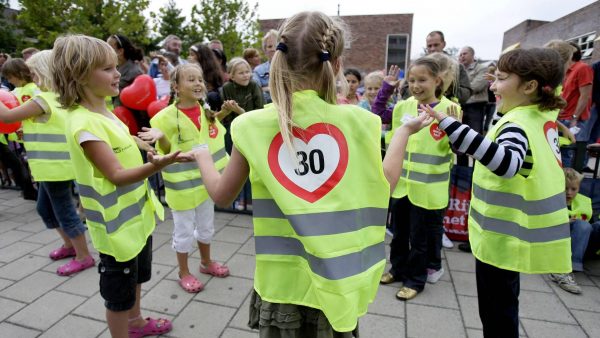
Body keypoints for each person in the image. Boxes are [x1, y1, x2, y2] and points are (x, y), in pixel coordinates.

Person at [182, 11, 432, 337]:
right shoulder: (360, 122)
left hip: (281, 281)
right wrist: (403, 133)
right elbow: (385, 184)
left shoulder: (251, 126)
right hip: (338, 280)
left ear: (278, 62)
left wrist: (202, 155)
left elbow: (222, 194)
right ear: (337, 64)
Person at [424, 48, 571, 338]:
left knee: (496, 316)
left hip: (501, 243)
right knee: (503, 310)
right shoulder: (538, 117)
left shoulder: (516, 125)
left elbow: (507, 164)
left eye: (501, 79)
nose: (492, 85)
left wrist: (452, 126)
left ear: (529, 87)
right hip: (512, 239)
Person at [51, 34, 175, 338]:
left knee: (136, 279)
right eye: (106, 69)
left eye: (114, 66)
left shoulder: (104, 110)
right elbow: (116, 174)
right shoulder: (83, 123)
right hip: (115, 230)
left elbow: (118, 147)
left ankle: (136, 323)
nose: (117, 73)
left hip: (136, 220)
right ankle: (124, 329)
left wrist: (139, 144)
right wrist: (156, 166)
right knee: (118, 295)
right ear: (78, 75)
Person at [0, 50, 95, 276]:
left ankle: (83, 255)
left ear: (44, 72)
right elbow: (47, 125)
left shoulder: (43, 99)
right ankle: (71, 245)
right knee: (45, 209)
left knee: (64, 211)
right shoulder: (55, 98)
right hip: (49, 167)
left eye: (33, 73)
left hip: (55, 168)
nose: (31, 77)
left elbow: (6, 117)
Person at [138, 63, 230, 293]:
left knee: (207, 228)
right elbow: (166, 152)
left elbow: (214, 136)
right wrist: (162, 138)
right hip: (182, 188)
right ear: (176, 87)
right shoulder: (163, 118)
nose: (198, 83)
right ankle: (183, 271)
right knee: (184, 233)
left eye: (200, 79)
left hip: (208, 184)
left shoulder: (205, 110)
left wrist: (225, 113)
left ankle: (206, 263)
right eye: (191, 79)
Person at [378, 55, 461, 301]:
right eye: (412, 80)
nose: (416, 85)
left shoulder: (449, 109)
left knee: (420, 240)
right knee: (399, 234)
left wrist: (456, 129)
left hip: (427, 190)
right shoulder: (404, 106)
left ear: (437, 80)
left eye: (422, 80)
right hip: (401, 186)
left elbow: (458, 150)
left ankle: (416, 280)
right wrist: (386, 88)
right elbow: (379, 115)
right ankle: (397, 269)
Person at [220, 57, 264, 210]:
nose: (246, 75)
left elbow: (259, 112)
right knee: (235, 166)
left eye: (247, 72)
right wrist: (228, 110)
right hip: (234, 130)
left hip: (253, 130)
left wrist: (239, 111)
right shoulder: (227, 88)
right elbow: (227, 115)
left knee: (252, 166)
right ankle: (237, 199)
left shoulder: (254, 86)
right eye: (241, 73)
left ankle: (251, 200)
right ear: (231, 76)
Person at [548, 168, 592, 294]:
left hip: (580, 242)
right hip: (555, 241)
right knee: (582, 226)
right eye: (565, 188)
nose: (569, 193)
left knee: (585, 226)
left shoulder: (584, 201)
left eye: (574, 189)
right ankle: (564, 270)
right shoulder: (550, 200)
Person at [399, 31, 471, 105]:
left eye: (436, 45)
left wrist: (448, 88)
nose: (432, 49)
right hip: (420, 110)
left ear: (443, 44)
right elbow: (404, 92)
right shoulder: (417, 66)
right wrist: (422, 91)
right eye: (429, 46)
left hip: (448, 111)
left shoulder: (456, 66)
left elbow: (466, 94)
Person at [559, 43, 593, 168]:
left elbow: (585, 96)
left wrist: (574, 117)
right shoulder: (566, 70)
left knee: (566, 153)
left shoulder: (582, 68)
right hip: (562, 117)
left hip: (572, 119)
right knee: (560, 152)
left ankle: (567, 185)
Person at [106, 34, 148, 128]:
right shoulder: (116, 68)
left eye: (109, 47)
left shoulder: (135, 72)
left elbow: (142, 106)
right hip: (118, 121)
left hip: (134, 125)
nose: (105, 50)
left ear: (120, 51)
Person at [459, 46, 489, 134]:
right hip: (461, 106)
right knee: (460, 133)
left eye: (464, 54)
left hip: (475, 106)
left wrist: (459, 91)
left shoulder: (482, 68)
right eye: (460, 54)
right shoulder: (459, 69)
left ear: (472, 55)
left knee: (474, 133)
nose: (462, 56)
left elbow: (476, 86)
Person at [188, 43, 224, 112]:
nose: (189, 57)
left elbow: (206, 90)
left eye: (192, 55)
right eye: (189, 54)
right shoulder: (189, 70)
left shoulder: (211, 71)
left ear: (201, 57)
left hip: (208, 101)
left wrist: (196, 66)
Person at [252, 29, 277, 104]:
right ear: (265, 50)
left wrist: (265, 88)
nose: (273, 49)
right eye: (269, 46)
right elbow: (256, 91)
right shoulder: (258, 70)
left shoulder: (291, 67)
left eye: (276, 45)